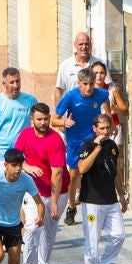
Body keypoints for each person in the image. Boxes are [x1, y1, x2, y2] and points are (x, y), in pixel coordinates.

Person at [11, 101, 65, 264]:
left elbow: (57, 173)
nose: (43, 123)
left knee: (49, 231)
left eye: (46, 119)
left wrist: (55, 202)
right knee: (33, 228)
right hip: (34, 191)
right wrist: (27, 166)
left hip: (57, 190)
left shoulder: (56, 139)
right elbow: (15, 158)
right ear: (32, 120)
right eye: (39, 119)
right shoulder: (25, 134)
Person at [75, 112, 127, 264]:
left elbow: (115, 173)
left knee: (119, 235)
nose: (105, 132)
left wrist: (122, 195)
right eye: (102, 128)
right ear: (95, 128)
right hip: (92, 201)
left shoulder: (112, 146)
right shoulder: (87, 145)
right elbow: (82, 168)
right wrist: (96, 149)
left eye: (108, 128)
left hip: (110, 200)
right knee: (92, 239)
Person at [55, 66, 100, 225]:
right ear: (79, 83)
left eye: (91, 84)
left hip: (92, 140)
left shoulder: (100, 94)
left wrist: (109, 124)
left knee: (91, 175)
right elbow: (54, 120)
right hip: (74, 142)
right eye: (85, 84)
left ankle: (93, 211)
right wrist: (64, 122)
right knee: (74, 176)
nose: (88, 88)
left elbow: (106, 107)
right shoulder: (70, 97)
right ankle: (72, 207)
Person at [0, 67, 36, 151]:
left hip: (23, 154)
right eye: (12, 82)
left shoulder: (31, 101)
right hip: (1, 155)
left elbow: (39, 122)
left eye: (18, 81)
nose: (16, 85)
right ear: (4, 84)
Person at [56, 30, 94, 95]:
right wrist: (59, 105)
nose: (84, 47)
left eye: (86, 44)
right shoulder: (65, 65)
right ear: (75, 45)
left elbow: (109, 86)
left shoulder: (99, 64)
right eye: (81, 44)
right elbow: (59, 90)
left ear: (90, 45)